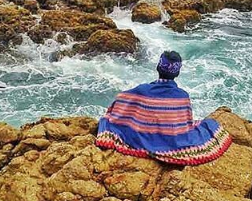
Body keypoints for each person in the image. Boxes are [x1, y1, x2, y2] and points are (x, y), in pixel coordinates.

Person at [96, 51, 232, 165]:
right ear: (177, 73)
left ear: (158, 68)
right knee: (210, 125)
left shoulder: (142, 90)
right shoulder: (183, 96)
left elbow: (119, 101)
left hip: (141, 138)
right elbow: (186, 125)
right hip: (174, 140)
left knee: (107, 121)